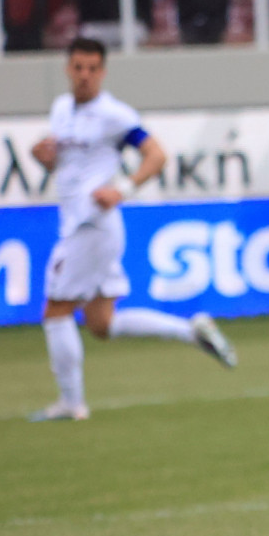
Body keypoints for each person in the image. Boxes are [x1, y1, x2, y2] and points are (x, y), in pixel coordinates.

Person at [28, 37, 237, 420]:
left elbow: (156, 155)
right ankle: (191, 331)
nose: (85, 76)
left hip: (91, 226)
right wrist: (43, 159)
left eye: (93, 68)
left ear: (103, 72)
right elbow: (67, 167)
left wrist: (122, 189)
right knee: (101, 324)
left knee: (56, 310)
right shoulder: (61, 110)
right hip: (83, 225)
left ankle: (71, 404)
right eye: (78, 67)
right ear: (67, 69)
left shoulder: (114, 115)